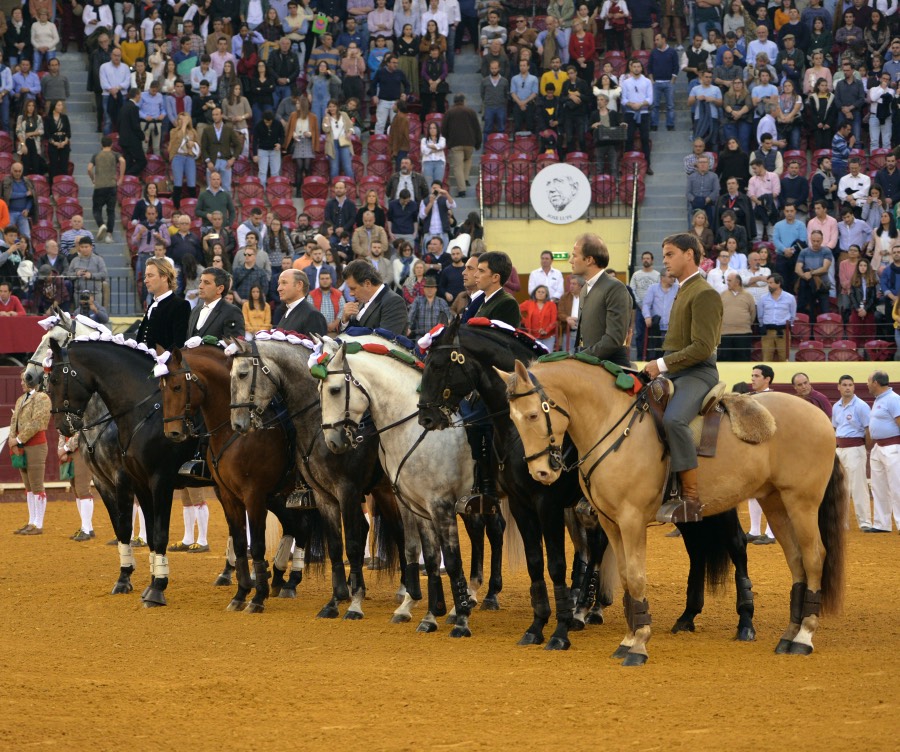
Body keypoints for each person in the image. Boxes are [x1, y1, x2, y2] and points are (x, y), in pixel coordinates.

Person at [643, 233, 723, 524]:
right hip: (677, 370)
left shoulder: (704, 293)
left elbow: (702, 348)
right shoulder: (682, 289)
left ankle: (690, 498)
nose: (664, 260)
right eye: (664, 255)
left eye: (669, 254)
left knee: (674, 420)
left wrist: (661, 364)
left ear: (689, 254)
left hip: (698, 372)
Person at [567, 234, 631, 366]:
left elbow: (614, 339)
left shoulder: (615, 288)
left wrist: (581, 357)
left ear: (589, 260)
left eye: (575, 255)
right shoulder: (585, 288)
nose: (571, 261)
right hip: (591, 366)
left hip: (612, 369)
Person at [10, 375, 51, 536]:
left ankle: (38, 524)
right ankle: (31, 521)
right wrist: (13, 440)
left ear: (32, 381)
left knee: (36, 485)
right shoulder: (21, 399)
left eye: (23, 380)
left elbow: (37, 422)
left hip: (36, 445)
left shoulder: (42, 398)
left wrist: (18, 439)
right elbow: (14, 420)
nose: (21, 383)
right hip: (22, 445)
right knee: (28, 486)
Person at [832, 375, 872, 532]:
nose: (848, 387)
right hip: (839, 448)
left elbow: (869, 429)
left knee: (858, 486)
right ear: (839, 387)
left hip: (855, 448)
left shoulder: (861, 406)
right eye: (844, 385)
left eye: (850, 385)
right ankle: (842, 523)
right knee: (840, 487)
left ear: (854, 387)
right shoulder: (836, 407)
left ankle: (865, 522)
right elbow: (834, 429)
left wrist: (864, 447)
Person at [746, 363, 776, 544]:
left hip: (770, 450)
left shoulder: (773, 398)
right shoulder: (750, 397)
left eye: (756, 376)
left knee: (772, 491)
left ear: (767, 379)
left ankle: (772, 533)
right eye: (752, 376)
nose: (753, 379)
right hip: (754, 449)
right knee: (753, 489)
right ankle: (754, 529)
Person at [866, 370, 900, 533]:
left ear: (875, 383)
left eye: (868, 381)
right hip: (878, 447)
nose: (867, 384)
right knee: (878, 487)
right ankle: (881, 523)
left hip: (893, 447)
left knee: (897, 486)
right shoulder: (880, 400)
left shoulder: (893, 400)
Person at [136, 257, 191, 349]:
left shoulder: (180, 305)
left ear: (164, 277)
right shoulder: (153, 304)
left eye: (150, 275)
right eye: (146, 276)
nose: (145, 280)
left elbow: (179, 344)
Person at [340, 259, 408, 333]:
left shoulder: (394, 301)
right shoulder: (363, 299)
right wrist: (345, 320)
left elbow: (386, 340)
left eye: (353, 288)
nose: (351, 294)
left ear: (367, 283)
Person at [188, 266, 245, 339]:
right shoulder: (195, 310)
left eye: (206, 283)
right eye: (200, 282)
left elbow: (235, 345)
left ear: (220, 289)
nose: (200, 286)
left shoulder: (232, 312)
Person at [87, 136, 125, 244]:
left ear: (101, 144)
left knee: (96, 209)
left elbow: (89, 168)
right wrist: (121, 177)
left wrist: (93, 178)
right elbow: (123, 161)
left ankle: (101, 224)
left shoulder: (96, 155)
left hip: (99, 186)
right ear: (111, 144)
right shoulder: (115, 154)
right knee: (111, 212)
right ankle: (109, 235)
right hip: (112, 186)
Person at [443, 93, 482, 196]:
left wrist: (447, 141)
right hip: (469, 142)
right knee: (468, 159)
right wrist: (478, 143)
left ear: (454, 101)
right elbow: (477, 129)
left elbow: (444, 129)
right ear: (463, 101)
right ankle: (465, 179)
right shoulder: (471, 111)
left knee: (458, 166)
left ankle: (462, 190)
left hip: (455, 143)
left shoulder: (449, 112)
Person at [621, 59, 654, 175]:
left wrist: (640, 104)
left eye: (638, 67)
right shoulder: (626, 82)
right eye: (634, 66)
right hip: (630, 113)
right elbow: (623, 99)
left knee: (645, 139)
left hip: (644, 113)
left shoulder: (647, 82)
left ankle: (647, 166)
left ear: (641, 68)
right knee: (628, 139)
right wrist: (631, 104)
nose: (636, 68)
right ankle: (627, 166)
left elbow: (650, 99)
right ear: (631, 68)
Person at [200, 107, 244, 191]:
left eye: (217, 114)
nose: (214, 117)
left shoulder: (228, 129)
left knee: (227, 188)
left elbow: (238, 145)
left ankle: (227, 204)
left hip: (226, 162)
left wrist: (233, 159)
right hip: (212, 162)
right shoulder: (207, 130)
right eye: (213, 115)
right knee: (211, 189)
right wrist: (208, 161)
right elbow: (203, 148)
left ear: (221, 115)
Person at [795, 230, 834, 321]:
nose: (815, 243)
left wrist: (811, 273)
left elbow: (825, 268)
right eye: (813, 241)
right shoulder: (804, 252)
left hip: (823, 285)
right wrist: (805, 275)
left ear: (822, 240)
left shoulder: (826, 251)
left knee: (825, 313)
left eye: (818, 241)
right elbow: (797, 269)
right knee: (808, 311)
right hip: (808, 286)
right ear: (810, 240)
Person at [718, 272, 755, 361]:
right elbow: (718, 312)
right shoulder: (722, 295)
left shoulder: (748, 296)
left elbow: (752, 313)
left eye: (730, 280)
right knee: (725, 359)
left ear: (737, 282)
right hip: (725, 334)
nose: (727, 282)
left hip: (743, 334)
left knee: (743, 359)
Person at [641, 271, 678, 360]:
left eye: (673, 276)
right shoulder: (653, 288)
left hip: (672, 327)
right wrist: (647, 316)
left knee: (670, 353)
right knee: (655, 353)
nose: (673, 278)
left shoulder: (677, 288)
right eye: (670, 276)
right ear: (662, 278)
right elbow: (646, 304)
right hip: (656, 327)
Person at [520, 284, 558, 350]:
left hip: (548, 337)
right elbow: (516, 310)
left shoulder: (552, 305)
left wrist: (546, 330)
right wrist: (525, 321)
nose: (540, 294)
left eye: (543, 292)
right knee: (535, 357)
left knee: (547, 357)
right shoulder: (528, 303)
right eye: (538, 292)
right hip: (533, 336)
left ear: (546, 294)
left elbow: (554, 321)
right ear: (535, 293)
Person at [309, 269, 344, 333]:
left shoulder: (338, 294)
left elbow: (343, 309)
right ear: (319, 280)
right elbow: (310, 313)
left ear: (331, 280)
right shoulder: (312, 295)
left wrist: (335, 323)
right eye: (322, 279)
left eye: (327, 278)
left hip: (335, 331)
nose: (325, 281)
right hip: (317, 331)